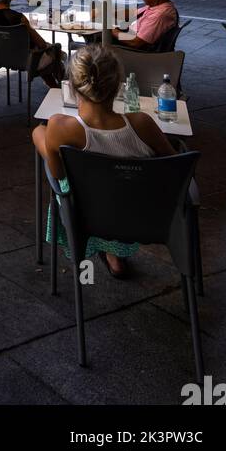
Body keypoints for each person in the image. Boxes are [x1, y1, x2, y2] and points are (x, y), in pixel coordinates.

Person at [32, 43, 176, 278]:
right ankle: (115, 255)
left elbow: (57, 175)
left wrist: (40, 136)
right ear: (118, 85)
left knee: (40, 134)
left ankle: (109, 253)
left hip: (85, 213)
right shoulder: (142, 124)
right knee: (115, 187)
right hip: (139, 214)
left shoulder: (60, 127)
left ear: (75, 87)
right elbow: (173, 165)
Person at [0, 0, 64, 88]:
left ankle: (55, 86)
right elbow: (41, 44)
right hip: (24, 59)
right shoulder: (19, 18)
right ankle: (60, 86)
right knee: (54, 51)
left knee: (48, 55)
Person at [111, 0, 178, 50]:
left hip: (132, 50)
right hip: (127, 35)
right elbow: (133, 13)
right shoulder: (156, 6)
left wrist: (112, 31)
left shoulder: (159, 15)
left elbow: (135, 42)